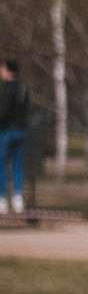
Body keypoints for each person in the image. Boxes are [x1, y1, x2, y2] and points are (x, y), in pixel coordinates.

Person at [0, 58, 29, 217]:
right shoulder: (23, 88)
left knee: (2, 166)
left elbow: (3, 112)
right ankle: (18, 199)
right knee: (17, 166)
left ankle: (2, 199)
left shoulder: (8, 89)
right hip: (21, 131)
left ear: (8, 70)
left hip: (7, 132)